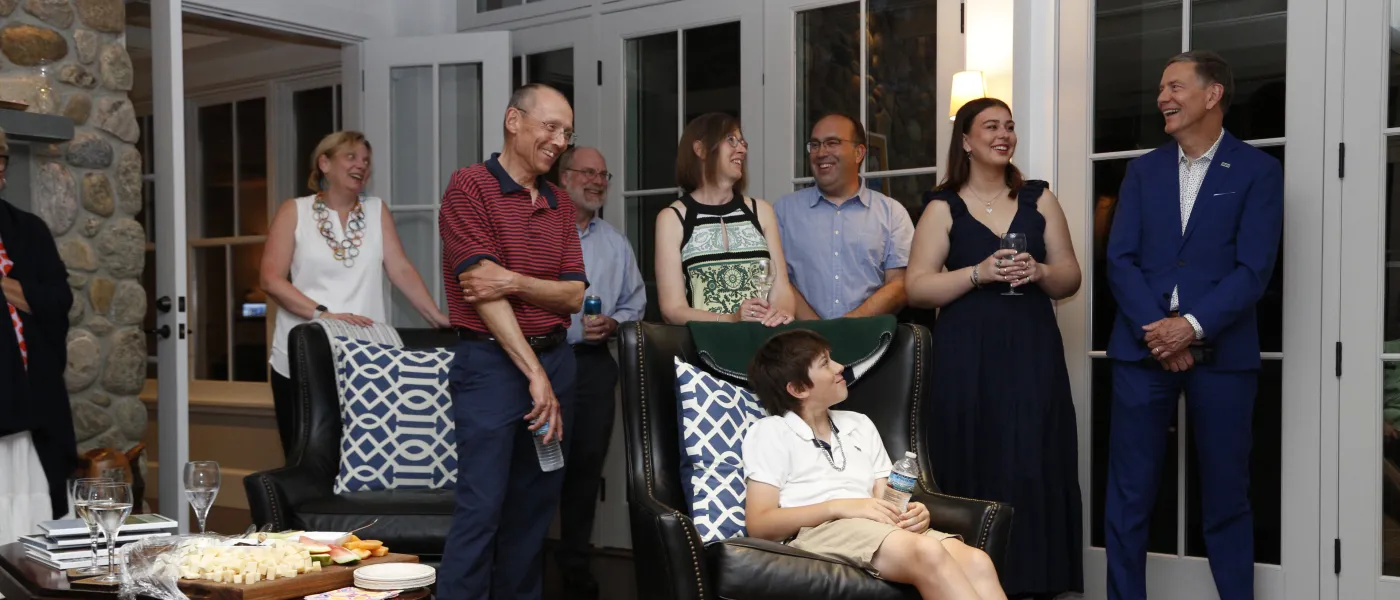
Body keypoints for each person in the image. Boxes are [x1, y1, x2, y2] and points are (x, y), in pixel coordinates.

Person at [1104, 51, 1282, 600]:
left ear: (1213, 95)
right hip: (1143, 351)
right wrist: (1161, 330)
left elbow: (1254, 270)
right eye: (1161, 88)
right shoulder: (1142, 170)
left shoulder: (1257, 171)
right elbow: (1120, 259)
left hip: (1222, 358)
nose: (1163, 97)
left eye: (1176, 86)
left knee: (1228, 497)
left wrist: (1193, 327)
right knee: (1130, 496)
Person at [905, 97, 1084, 599]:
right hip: (966, 357)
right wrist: (978, 273)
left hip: (1031, 352)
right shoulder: (943, 207)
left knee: (1033, 457)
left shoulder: (1039, 199)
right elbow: (917, 288)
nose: (1004, 134)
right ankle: (966, 582)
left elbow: (1070, 276)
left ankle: (1036, 581)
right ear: (966, 141)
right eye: (991, 127)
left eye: (1009, 126)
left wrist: (1042, 272)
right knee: (972, 457)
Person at [437, 83, 586, 599]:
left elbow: (572, 296)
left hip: (556, 363)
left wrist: (515, 280)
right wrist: (534, 374)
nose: (559, 140)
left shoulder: (560, 204)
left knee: (535, 508)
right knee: (483, 507)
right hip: (491, 369)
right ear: (513, 120)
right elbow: (481, 289)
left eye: (566, 132)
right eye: (550, 126)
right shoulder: (470, 187)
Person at [742, 329, 1006, 600]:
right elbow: (760, 523)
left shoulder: (859, 424)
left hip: (876, 526)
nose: (840, 367)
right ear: (798, 388)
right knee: (927, 552)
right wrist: (839, 507)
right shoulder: (771, 432)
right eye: (825, 363)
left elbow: (886, 496)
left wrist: (912, 513)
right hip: (818, 531)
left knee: (977, 562)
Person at [262, 131, 449, 453]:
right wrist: (325, 316)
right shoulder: (294, 211)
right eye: (351, 157)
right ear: (324, 163)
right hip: (303, 356)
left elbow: (400, 268)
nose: (361, 165)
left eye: (365, 160)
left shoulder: (377, 210)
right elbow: (271, 279)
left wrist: (436, 317)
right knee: (305, 457)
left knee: (365, 454)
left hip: (368, 360)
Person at [553, 146, 645, 600]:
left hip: (593, 367)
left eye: (603, 175)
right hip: (545, 360)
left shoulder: (615, 243)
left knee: (585, 469)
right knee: (538, 467)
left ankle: (574, 567)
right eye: (587, 172)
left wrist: (615, 322)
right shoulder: (543, 233)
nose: (597, 181)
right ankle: (522, 564)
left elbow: (635, 302)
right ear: (563, 178)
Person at [0, 126, 78, 545]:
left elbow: (57, 299)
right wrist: (18, 292)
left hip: (31, 399)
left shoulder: (28, 230)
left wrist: (6, 287)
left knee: (31, 501)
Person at [654, 112, 796, 327]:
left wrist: (780, 313)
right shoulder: (673, 218)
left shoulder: (761, 211)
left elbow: (782, 290)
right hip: (705, 350)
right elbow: (672, 310)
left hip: (765, 348)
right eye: (731, 140)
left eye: (742, 142)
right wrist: (731, 319)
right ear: (700, 149)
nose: (742, 149)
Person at [774, 113, 914, 320]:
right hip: (800, 342)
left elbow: (900, 284)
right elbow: (776, 279)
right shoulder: (783, 211)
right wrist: (818, 332)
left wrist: (848, 327)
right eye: (815, 145)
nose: (821, 152)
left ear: (859, 153)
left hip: (871, 340)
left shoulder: (892, 213)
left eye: (832, 143)